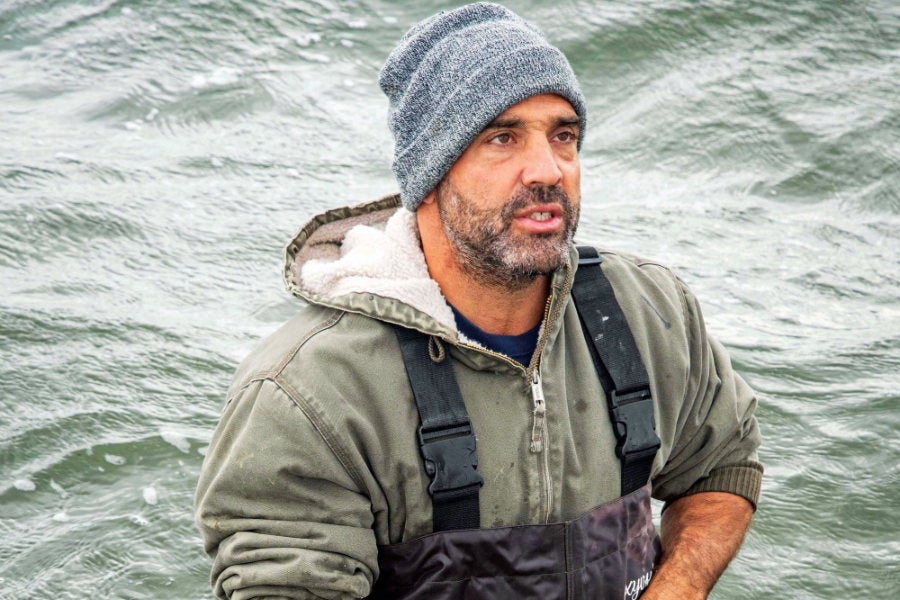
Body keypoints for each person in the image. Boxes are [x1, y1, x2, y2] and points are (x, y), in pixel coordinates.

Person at [195, 3, 763, 599]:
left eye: (563, 135)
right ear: (430, 173)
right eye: (502, 137)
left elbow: (722, 464)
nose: (547, 169)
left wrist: (680, 586)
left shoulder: (649, 312)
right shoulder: (307, 392)